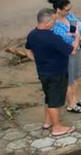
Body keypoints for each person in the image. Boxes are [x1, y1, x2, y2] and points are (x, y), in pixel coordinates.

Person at [25, 8, 74, 137]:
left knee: (49, 97)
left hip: (43, 72)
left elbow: (28, 51)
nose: (55, 22)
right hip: (57, 73)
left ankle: (47, 122)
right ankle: (57, 127)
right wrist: (77, 37)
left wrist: (38, 60)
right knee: (55, 101)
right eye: (53, 20)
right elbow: (71, 51)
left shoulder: (32, 35)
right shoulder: (53, 38)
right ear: (47, 22)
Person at [48, 0, 81, 114]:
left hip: (76, 49)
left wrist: (75, 34)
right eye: (66, 10)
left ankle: (74, 99)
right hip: (65, 53)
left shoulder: (69, 16)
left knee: (76, 76)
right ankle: (71, 104)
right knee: (69, 80)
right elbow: (62, 38)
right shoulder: (54, 22)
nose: (69, 12)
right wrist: (75, 33)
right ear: (58, 9)